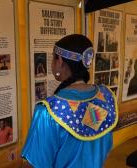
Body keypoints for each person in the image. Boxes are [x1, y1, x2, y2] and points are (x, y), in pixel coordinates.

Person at [22, 34, 118, 168]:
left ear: (60, 61)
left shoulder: (48, 112)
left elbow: (35, 164)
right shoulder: (105, 97)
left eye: (53, 58)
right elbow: (93, 143)